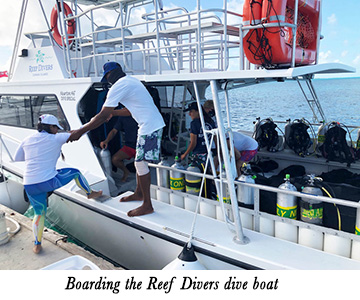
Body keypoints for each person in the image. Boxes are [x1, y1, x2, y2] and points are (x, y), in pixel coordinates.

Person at [68, 62, 165, 217]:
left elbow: (102, 116)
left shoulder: (119, 86)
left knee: (140, 163)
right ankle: (139, 193)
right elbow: (130, 110)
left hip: (150, 127)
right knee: (139, 163)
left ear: (111, 74)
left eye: (107, 77)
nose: (108, 81)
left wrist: (80, 132)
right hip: (150, 124)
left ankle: (147, 205)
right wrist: (114, 113)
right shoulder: (132, 81)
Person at [14, 114, 102, 254]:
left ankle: (37, 244)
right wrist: (97, 119)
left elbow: (18, 158)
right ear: (51, 127)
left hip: (29, 184)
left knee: (39, 213)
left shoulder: (27, 139)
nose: (57, 130)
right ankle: (90, 193)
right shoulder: (56, 138)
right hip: (48, 181)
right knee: (76, 173)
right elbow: (79, 133)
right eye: (56, 128)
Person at [100, 115, 138, 182]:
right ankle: (126, 172)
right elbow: (114, 131)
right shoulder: (122, 117)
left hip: (141, 146)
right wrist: (106, 141)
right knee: (115, 159)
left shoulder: (140, 115)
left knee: (140, 166)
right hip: (129, 145)